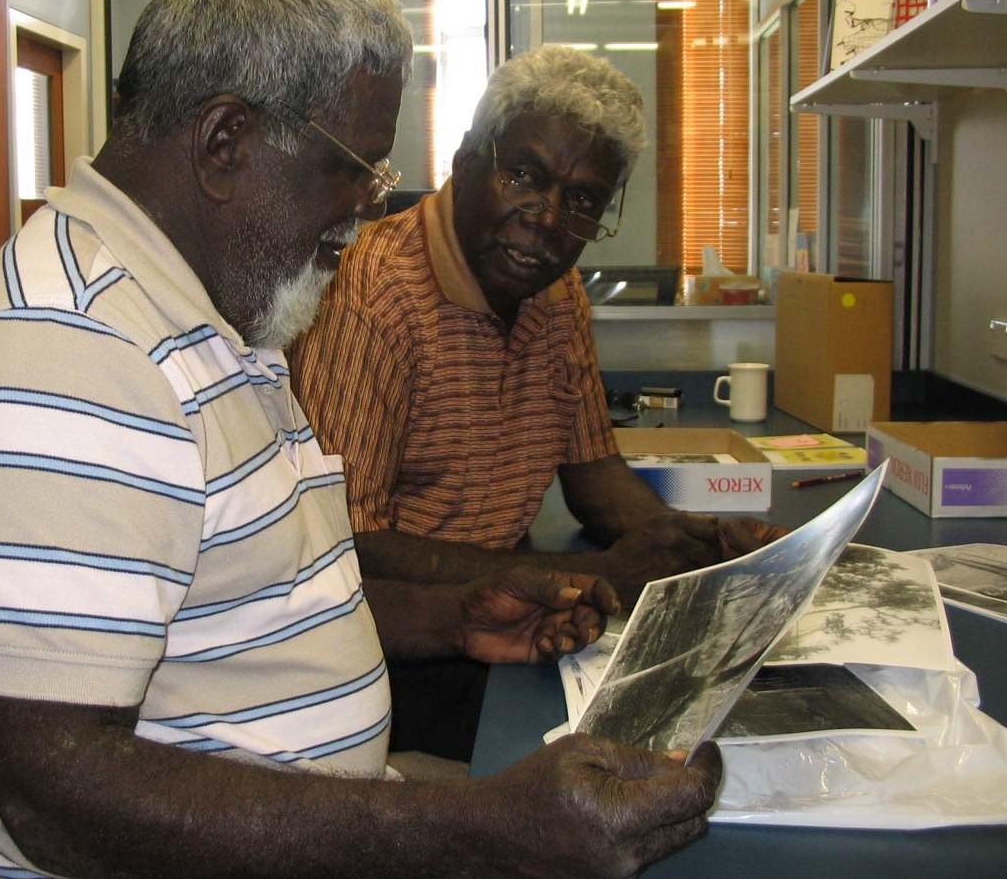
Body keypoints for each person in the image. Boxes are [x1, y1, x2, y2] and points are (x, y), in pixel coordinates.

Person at [0, 0, 721, 877]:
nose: (369, 208)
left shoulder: (215, 315)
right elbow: (58, 798)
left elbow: (258, 591)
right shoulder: (67, 354)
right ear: (225, 142)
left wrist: (452, 617)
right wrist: (470, 827)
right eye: (354, 167)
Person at [289, 44, 785, 759]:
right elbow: (351, 541)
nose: (548, 219)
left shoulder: (557, 295)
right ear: (465, 160)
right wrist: (596, 575)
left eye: (583, 200)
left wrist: (694, 541)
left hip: (513, 612)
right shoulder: (372, 294)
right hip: (396, 645)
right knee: (633, 761)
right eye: (524, 175)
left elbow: (595, 476)